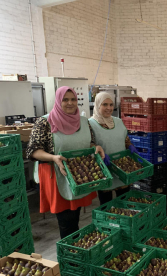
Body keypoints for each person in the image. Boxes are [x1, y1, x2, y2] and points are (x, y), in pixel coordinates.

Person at [26, 86, 105, 239]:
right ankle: (70, 254)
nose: (70, 103)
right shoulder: (44, 122)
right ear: (58, 101)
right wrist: (53, 157)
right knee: (66, 220)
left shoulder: (83, 121)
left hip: (79, 174)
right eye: (65, 100)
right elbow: (33, 151)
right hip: (57, 175)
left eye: (73, 99)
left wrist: (95, 147)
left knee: (74, 216)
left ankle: (74, 248)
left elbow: (89, 142)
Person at [89, 92, 139, 205]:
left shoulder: (118, 121)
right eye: (105, 104)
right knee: (107, 204)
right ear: (97, 105)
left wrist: (129, 145)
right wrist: (97, 155)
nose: (109, 108)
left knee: (124, 201)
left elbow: (124, 138)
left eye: (111, 105)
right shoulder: (90, 124)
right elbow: (89, 144)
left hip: (122, 168)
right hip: (104, 169)